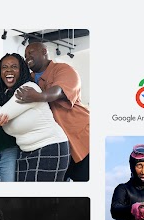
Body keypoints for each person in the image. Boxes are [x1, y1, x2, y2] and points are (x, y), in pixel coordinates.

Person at [0, 53, 69, 181]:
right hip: (25, 151)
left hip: (49, 147)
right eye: (4, 67)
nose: (9, 70)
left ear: (22, 70)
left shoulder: (27, 89)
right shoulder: (7, 94)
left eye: (14, 66)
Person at [18, 42, 90, 181]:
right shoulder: (29, 79)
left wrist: (37, 96)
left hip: (81, 138)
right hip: (57, 145)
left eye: (31, 52)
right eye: (25, 55)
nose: (27, 57)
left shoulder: (64, 69)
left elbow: (57, 92)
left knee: (85, 182)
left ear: (44, 51)